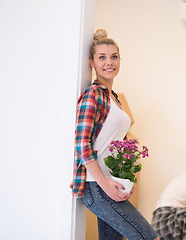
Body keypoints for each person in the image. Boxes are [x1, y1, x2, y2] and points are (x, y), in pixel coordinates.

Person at [70, 29, 159, 240]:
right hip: (96, 185)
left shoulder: (114, 98)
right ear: (91, 62)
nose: (109, 62)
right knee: (149, 237)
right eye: (102, 57)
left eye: (114, 56)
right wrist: (105, 183)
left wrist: (127, 179)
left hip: (110, 182)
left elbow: (118, 145)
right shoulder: (93, 95)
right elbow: (82, 144)